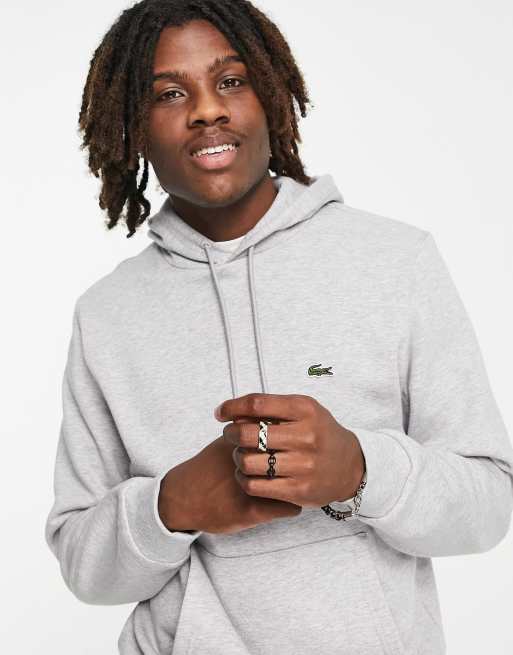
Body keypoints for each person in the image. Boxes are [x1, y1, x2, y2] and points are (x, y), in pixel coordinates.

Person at [44, 1, 513, 653]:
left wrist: (361, 470)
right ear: (132, 127)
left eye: (231, 80)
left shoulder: (394, 260)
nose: (206, 109)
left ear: (269, 97)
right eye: (169, 93)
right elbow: (82, 566)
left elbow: (489, 506)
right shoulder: (106, 314)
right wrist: (170, 505)